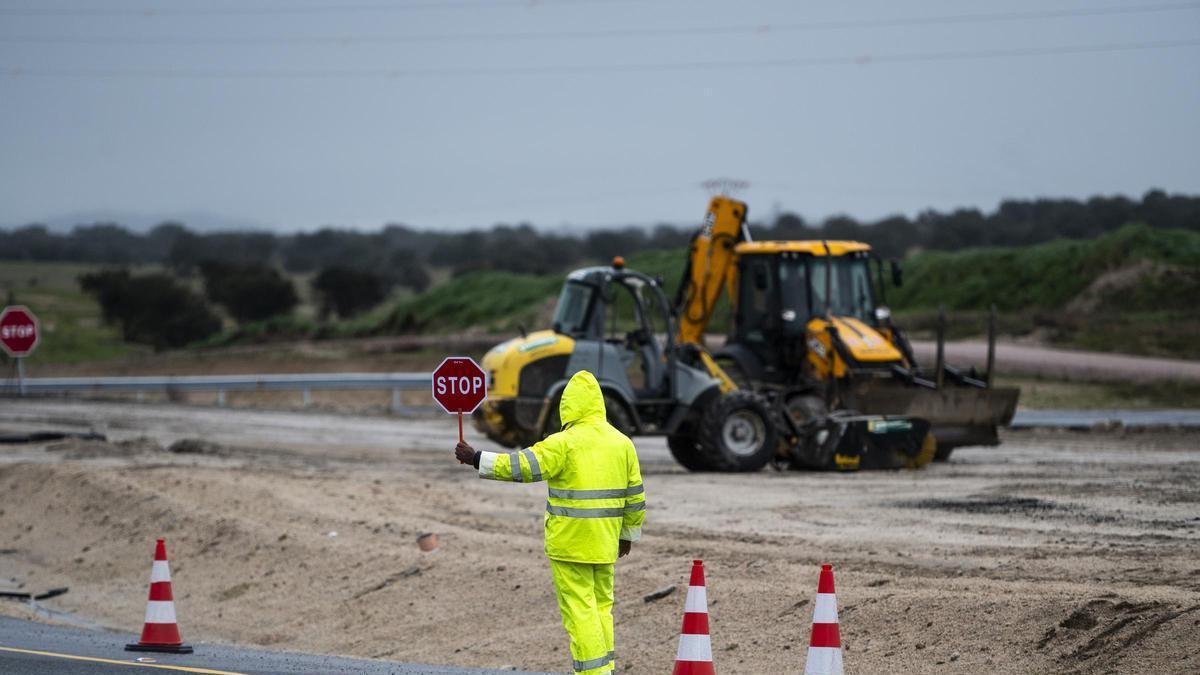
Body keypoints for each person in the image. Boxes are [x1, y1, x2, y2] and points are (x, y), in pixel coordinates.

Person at [454, 370, 645, 675]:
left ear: (568, 406)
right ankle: (605, 669)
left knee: (580, 612)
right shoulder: (622, 444)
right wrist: (627, 535)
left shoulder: (563, 443)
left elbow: (519, 467)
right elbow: (636, 498)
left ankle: (593, 673)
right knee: (601, 608)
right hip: (606, 543)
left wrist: (476, 458)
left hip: (570, 545)